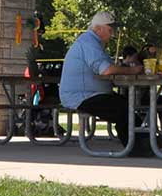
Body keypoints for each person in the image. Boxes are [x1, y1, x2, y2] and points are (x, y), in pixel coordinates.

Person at [59, 11, 150, 156]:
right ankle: (135, 147)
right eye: (110, 28)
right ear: (98, 28)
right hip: (82, 97)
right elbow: (106, 70)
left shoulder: (93, 42)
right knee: (123, 108)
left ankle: (144, 143)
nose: (113, 33)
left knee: (126, 105)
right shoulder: (89, 42)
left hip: (90, 94)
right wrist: (133, 71)